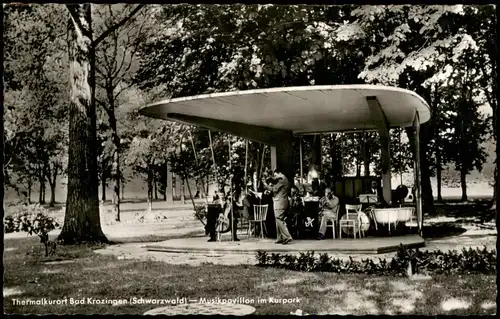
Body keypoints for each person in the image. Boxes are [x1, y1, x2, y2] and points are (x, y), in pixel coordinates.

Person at [261, 169, 293, 245]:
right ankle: (280, 237)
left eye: (275, 175)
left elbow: (274, 189)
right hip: (281, 202)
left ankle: (287, 236)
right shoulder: (282, 179)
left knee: (279, 219)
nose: (275, 177)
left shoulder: (281, 179)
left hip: (280, 202)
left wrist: (266, 185)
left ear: (280, 173)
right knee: (278, 219)